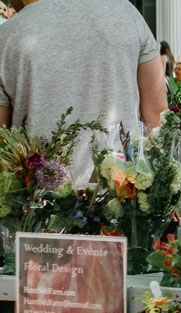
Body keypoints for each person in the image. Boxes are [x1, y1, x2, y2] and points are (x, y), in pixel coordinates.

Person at [0, 0, 167, 186]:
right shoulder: (127, 12)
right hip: (123, 193)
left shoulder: (7, 35)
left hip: (40, 202)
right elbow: (157, 116)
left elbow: (3, 145)